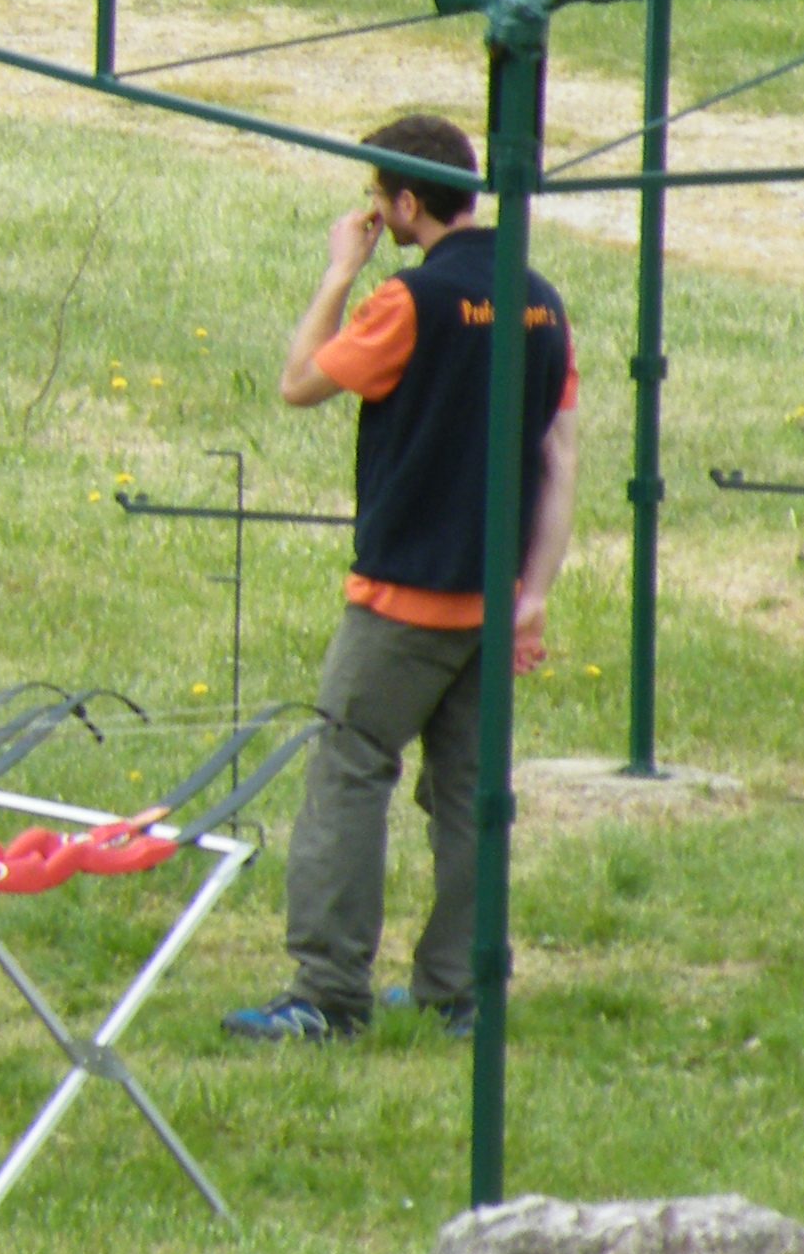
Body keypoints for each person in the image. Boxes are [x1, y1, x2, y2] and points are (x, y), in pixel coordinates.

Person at [224, 112, 578, 1048]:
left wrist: (341, 269)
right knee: (468, 795)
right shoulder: (541, 302)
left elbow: (300, 381)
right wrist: (531, 593)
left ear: (407, 204)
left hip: (401, 601)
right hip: (492, 602)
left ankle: (328, 994)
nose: (372, 213)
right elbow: (559, 455)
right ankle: (459, 992)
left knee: (348, 771)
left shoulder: (405, 304)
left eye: (376, 200)